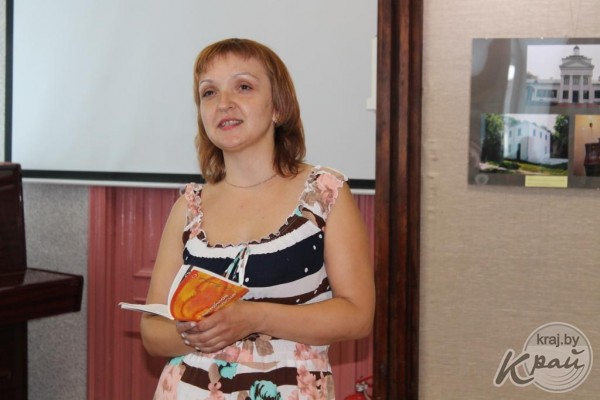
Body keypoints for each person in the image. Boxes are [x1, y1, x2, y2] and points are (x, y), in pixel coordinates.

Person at [140, 37, 375, 400]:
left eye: (244, 87)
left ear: (278, 107)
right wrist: (202, 331)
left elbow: (358, 316)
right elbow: (153, 332)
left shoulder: (325, 193)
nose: (224, 103)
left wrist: (253, 317)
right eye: (209, 93)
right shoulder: (188, 207)